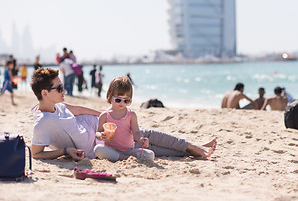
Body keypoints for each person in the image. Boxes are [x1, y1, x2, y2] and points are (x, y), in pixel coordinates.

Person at [30, 68, 216, 161]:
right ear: (45, 93)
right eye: (60, 88)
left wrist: (105, 114)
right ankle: (190, 149)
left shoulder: (58, 105)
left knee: (146, 134)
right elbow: (36, 154)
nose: (64, 91)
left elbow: (78, 110)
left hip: (104, 125)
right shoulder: (42, 123)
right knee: (147, 146)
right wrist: (64, 152)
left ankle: (192, 146)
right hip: (101, 142)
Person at [94, 76, 155, 161]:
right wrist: (101, 136)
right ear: (110, 96)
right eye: (118, 100)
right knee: (98, 149)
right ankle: (124, 158)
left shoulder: (131, 114)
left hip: (129, 151)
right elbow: (98, 132)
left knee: (150, 155)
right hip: (111, 149)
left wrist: (141, 139)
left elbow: (136, 131)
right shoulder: (105, 115)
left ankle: (121, 157)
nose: (122, 103)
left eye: (126, 100)